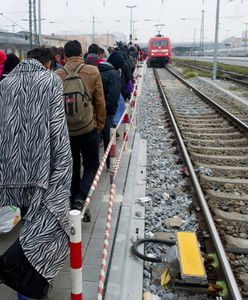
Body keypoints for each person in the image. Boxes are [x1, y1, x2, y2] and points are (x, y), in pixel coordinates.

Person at [0, 47, 72, 298]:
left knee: (27, 225)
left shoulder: (6, 83)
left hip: (12, 174)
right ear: (49, 63)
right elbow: (57, 131)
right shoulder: (50, 80)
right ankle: (29, 289)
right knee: (38, 231)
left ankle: (26, 285)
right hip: (43, 173)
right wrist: (63, 172)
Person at [55, 40, 105, 217]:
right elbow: (99, 101)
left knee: (73, 167)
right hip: (88, 128)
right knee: (91, 165)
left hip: (67, 131)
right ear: (81, 53)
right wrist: (99, 124)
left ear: (65, 55)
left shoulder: (57, 74)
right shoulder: (92, 71)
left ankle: (73, 206)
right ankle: (81, 198)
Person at [98, 51, 124, 168]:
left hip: (94, 111)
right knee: (108, 140)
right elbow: (114, 97)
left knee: (96, 139)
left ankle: (95, 165)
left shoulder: (96, 69)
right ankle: (109, 164)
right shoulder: (113, 74)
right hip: (106, 112)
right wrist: (111, 111)